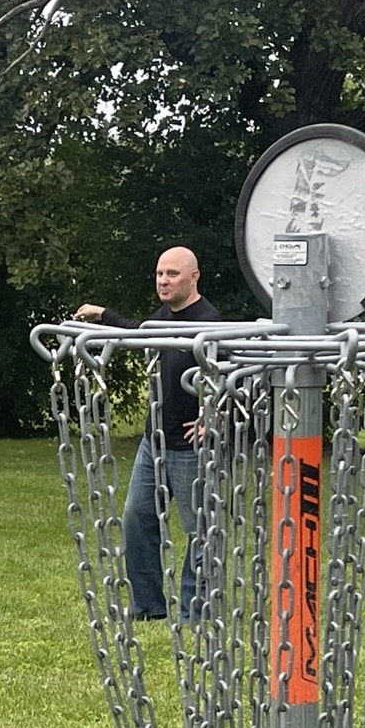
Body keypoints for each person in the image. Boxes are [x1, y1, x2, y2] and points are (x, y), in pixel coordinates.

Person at [75, 246, 220, 620]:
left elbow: (235, 376)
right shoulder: (160, 318)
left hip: (190, 447)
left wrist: (213, 417)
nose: (163, 281)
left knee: (199, 531)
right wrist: (103, 315)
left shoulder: (209, 322)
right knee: (137, 519)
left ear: (194, 277)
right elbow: (139, 333)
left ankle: (193, 611)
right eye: (159, 274)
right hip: (152, 443)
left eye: (172, 274)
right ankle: (148, 608)